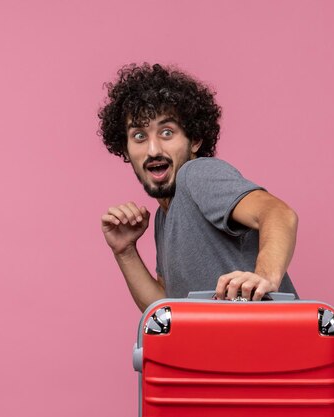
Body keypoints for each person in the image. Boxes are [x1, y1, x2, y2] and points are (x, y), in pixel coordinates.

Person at [98, 63, 298, 312]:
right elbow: (167, 308)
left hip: (268, 345)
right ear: (126, 148)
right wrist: (125, 251)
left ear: (194, 140)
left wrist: (265, 276)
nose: (153, 150)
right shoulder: (164, 216)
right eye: (139, 136)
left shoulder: (196, 175)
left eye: (167, 132)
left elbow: (278, 213)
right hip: (220, 349)